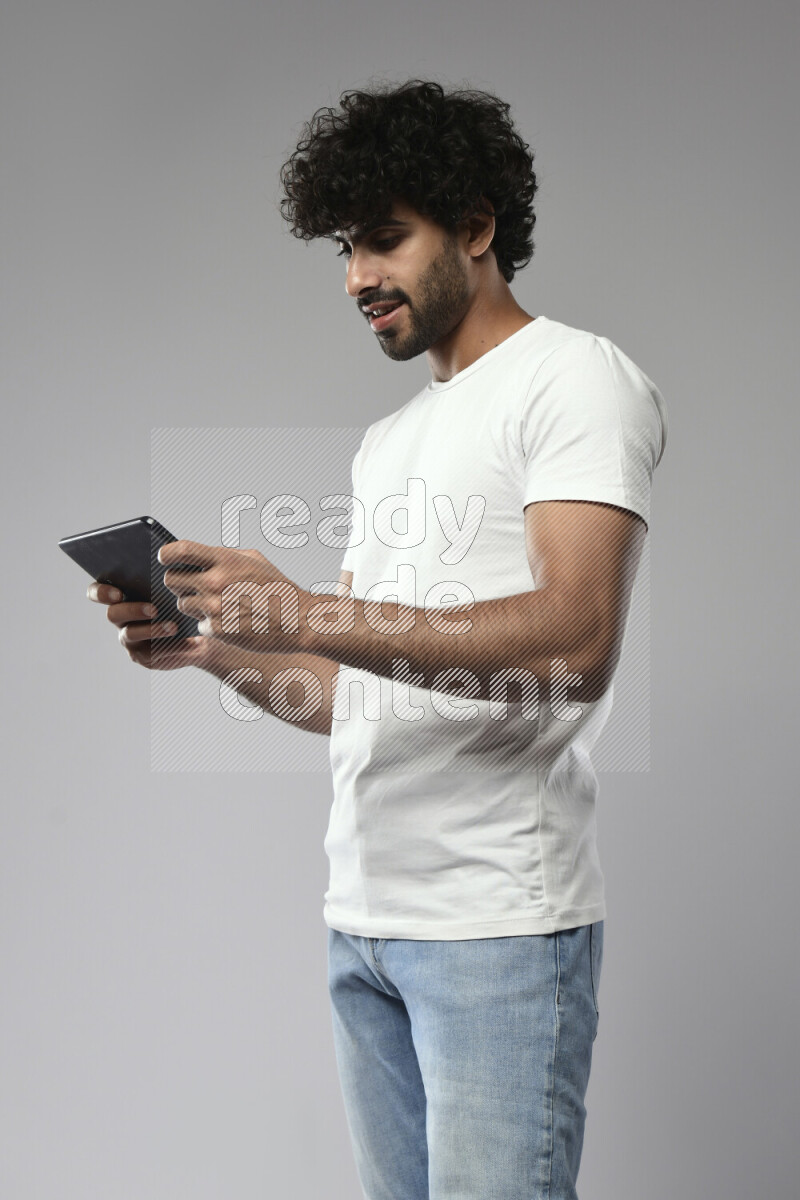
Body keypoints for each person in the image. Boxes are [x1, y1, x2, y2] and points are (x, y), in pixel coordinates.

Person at [88, 80, 667, 1199]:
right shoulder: (390, 439)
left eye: (385, 241)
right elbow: (359, 689)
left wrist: (304, 610)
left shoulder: (574, 380)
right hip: (364, 920)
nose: (357, 278)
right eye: (345, 249)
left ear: (477, 228)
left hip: (495, 926)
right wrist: (216, 647)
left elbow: (577, 641)